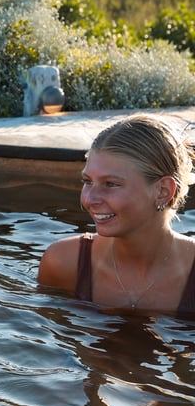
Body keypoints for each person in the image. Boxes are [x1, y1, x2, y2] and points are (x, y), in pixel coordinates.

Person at [37, 113, 195, 314]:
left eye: (111, 184)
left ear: (163, 191)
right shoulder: (64, 264)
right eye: (87, 182)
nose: (90, 199)